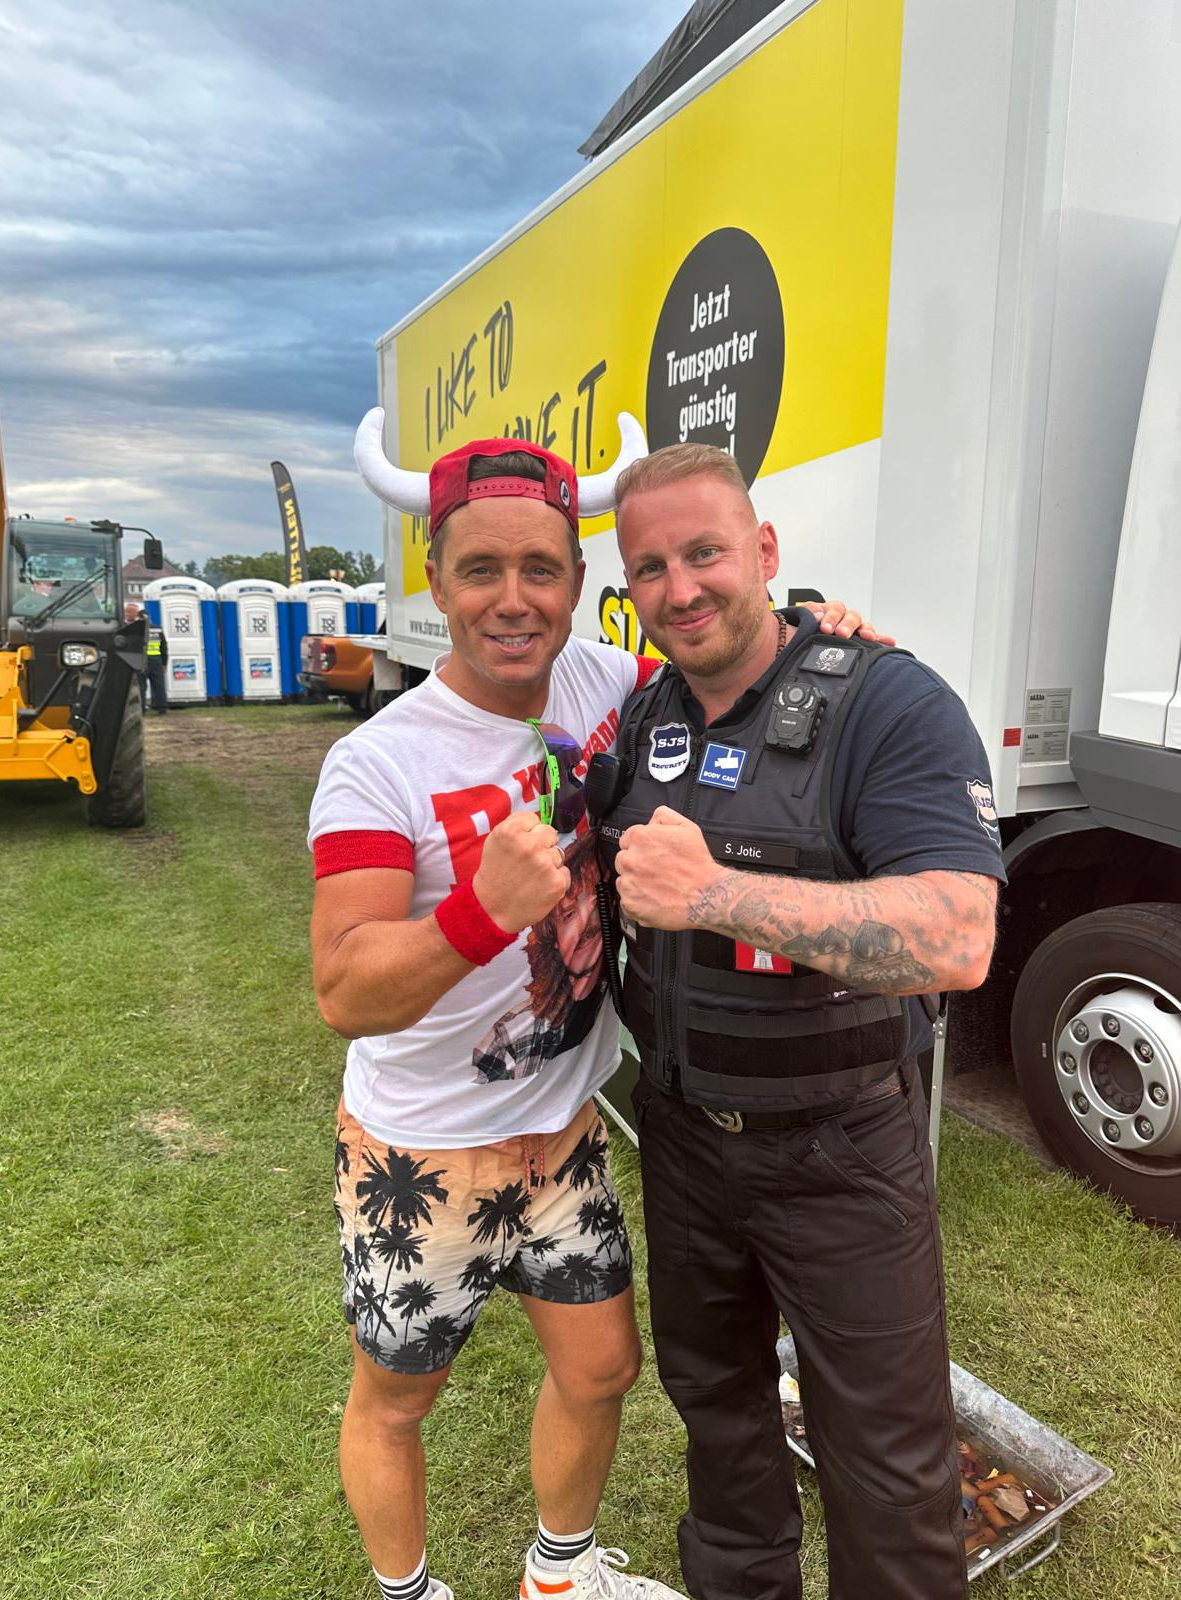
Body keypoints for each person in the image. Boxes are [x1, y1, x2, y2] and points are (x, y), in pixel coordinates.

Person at [310, 411, 881, 1600]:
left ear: (579, 582)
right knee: (397, 1399)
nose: (513, 599)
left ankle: (557, 1579)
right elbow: (345, 987)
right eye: (481, 570)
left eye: (541, 568)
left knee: (602, 1369)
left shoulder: (606, 680)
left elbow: (729, 661)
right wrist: (479, 914)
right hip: (421, 1151)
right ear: (436, 582)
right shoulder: (378, 761)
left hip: (564, 1134)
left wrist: (819, 627)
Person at [601, 444, 1005, 1600]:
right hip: (684, 1141)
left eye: (706, 552)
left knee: (888, 1465)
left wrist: (715, 892)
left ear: (766, 551)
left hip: (842, 1151)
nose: (681, 587)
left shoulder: (887, 701)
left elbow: (958, 935)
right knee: (719, 1417)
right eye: (650, 567)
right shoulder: (640, 717)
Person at [142, 606, 168, 714]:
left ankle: (142, 708)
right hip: (157, 660)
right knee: (159, 685)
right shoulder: (158, 629)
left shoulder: (139, 630)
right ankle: (161, 708)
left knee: (141, 686)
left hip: (142, 661)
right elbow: (164, 647)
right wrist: (164, 663)